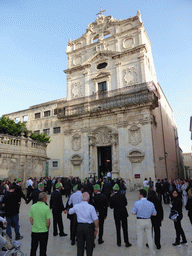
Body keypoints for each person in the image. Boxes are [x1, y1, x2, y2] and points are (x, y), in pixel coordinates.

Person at [69, 192, 98, 256]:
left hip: (80, 227)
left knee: (80, 247)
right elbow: (95, 219)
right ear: (88, 199)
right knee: (89, 246)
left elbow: (70, 211)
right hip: (89, 227)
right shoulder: (91, 207)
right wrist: (96, 228)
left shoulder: (77, 206)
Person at [132, 189, 157, 256]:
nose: (138, 195)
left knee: (140, 238)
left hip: (140, 221)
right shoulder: (151, 203)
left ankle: (139, 253)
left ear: (141, 195)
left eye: (138, 193)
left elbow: (133, 212)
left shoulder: (137, 203)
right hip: (148, 220)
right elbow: (154, 214)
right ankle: (151, 252)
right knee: (149, 238)